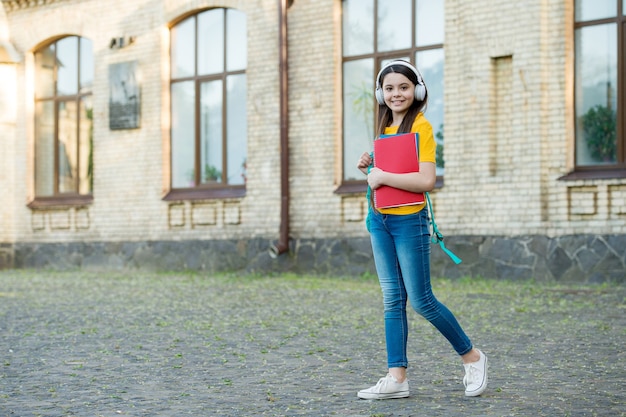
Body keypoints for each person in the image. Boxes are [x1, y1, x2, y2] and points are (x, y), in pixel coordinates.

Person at [356, 60, 488, 400]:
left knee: (422, 301)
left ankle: (472, 358)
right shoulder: (385, 132)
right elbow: (388, 178)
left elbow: (426, 180)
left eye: (403, 87)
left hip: (409, 220)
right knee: (391, 300)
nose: (396, 93)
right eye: (389, 88)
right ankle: (397, 377)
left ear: (417, 90)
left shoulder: (422, 128)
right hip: (379, 219)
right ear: (380, 94)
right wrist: (370, 167)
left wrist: (383, 175)